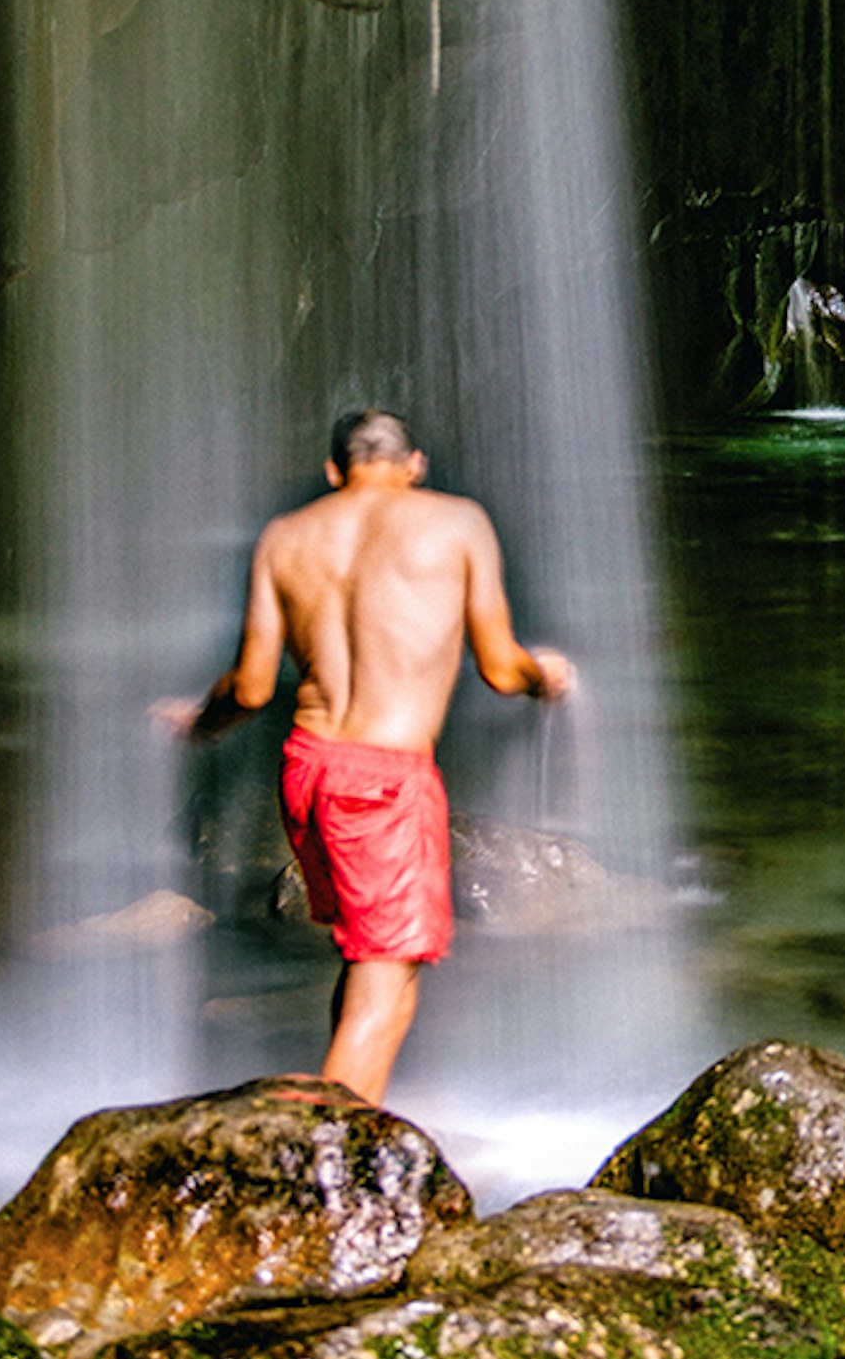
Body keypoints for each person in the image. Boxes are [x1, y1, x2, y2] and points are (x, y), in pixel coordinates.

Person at [154, 409, 574, 1104]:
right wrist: (546, 675)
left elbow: (253, 686)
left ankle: (339, 1114)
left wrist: (200, 721)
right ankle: (328, 1169)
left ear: (332, 471)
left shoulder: (285, 536)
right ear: (415, 464)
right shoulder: (458, 521)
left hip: (308, 768)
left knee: (362, 959)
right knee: (388, 991)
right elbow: (500, 667)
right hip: (384, 780)